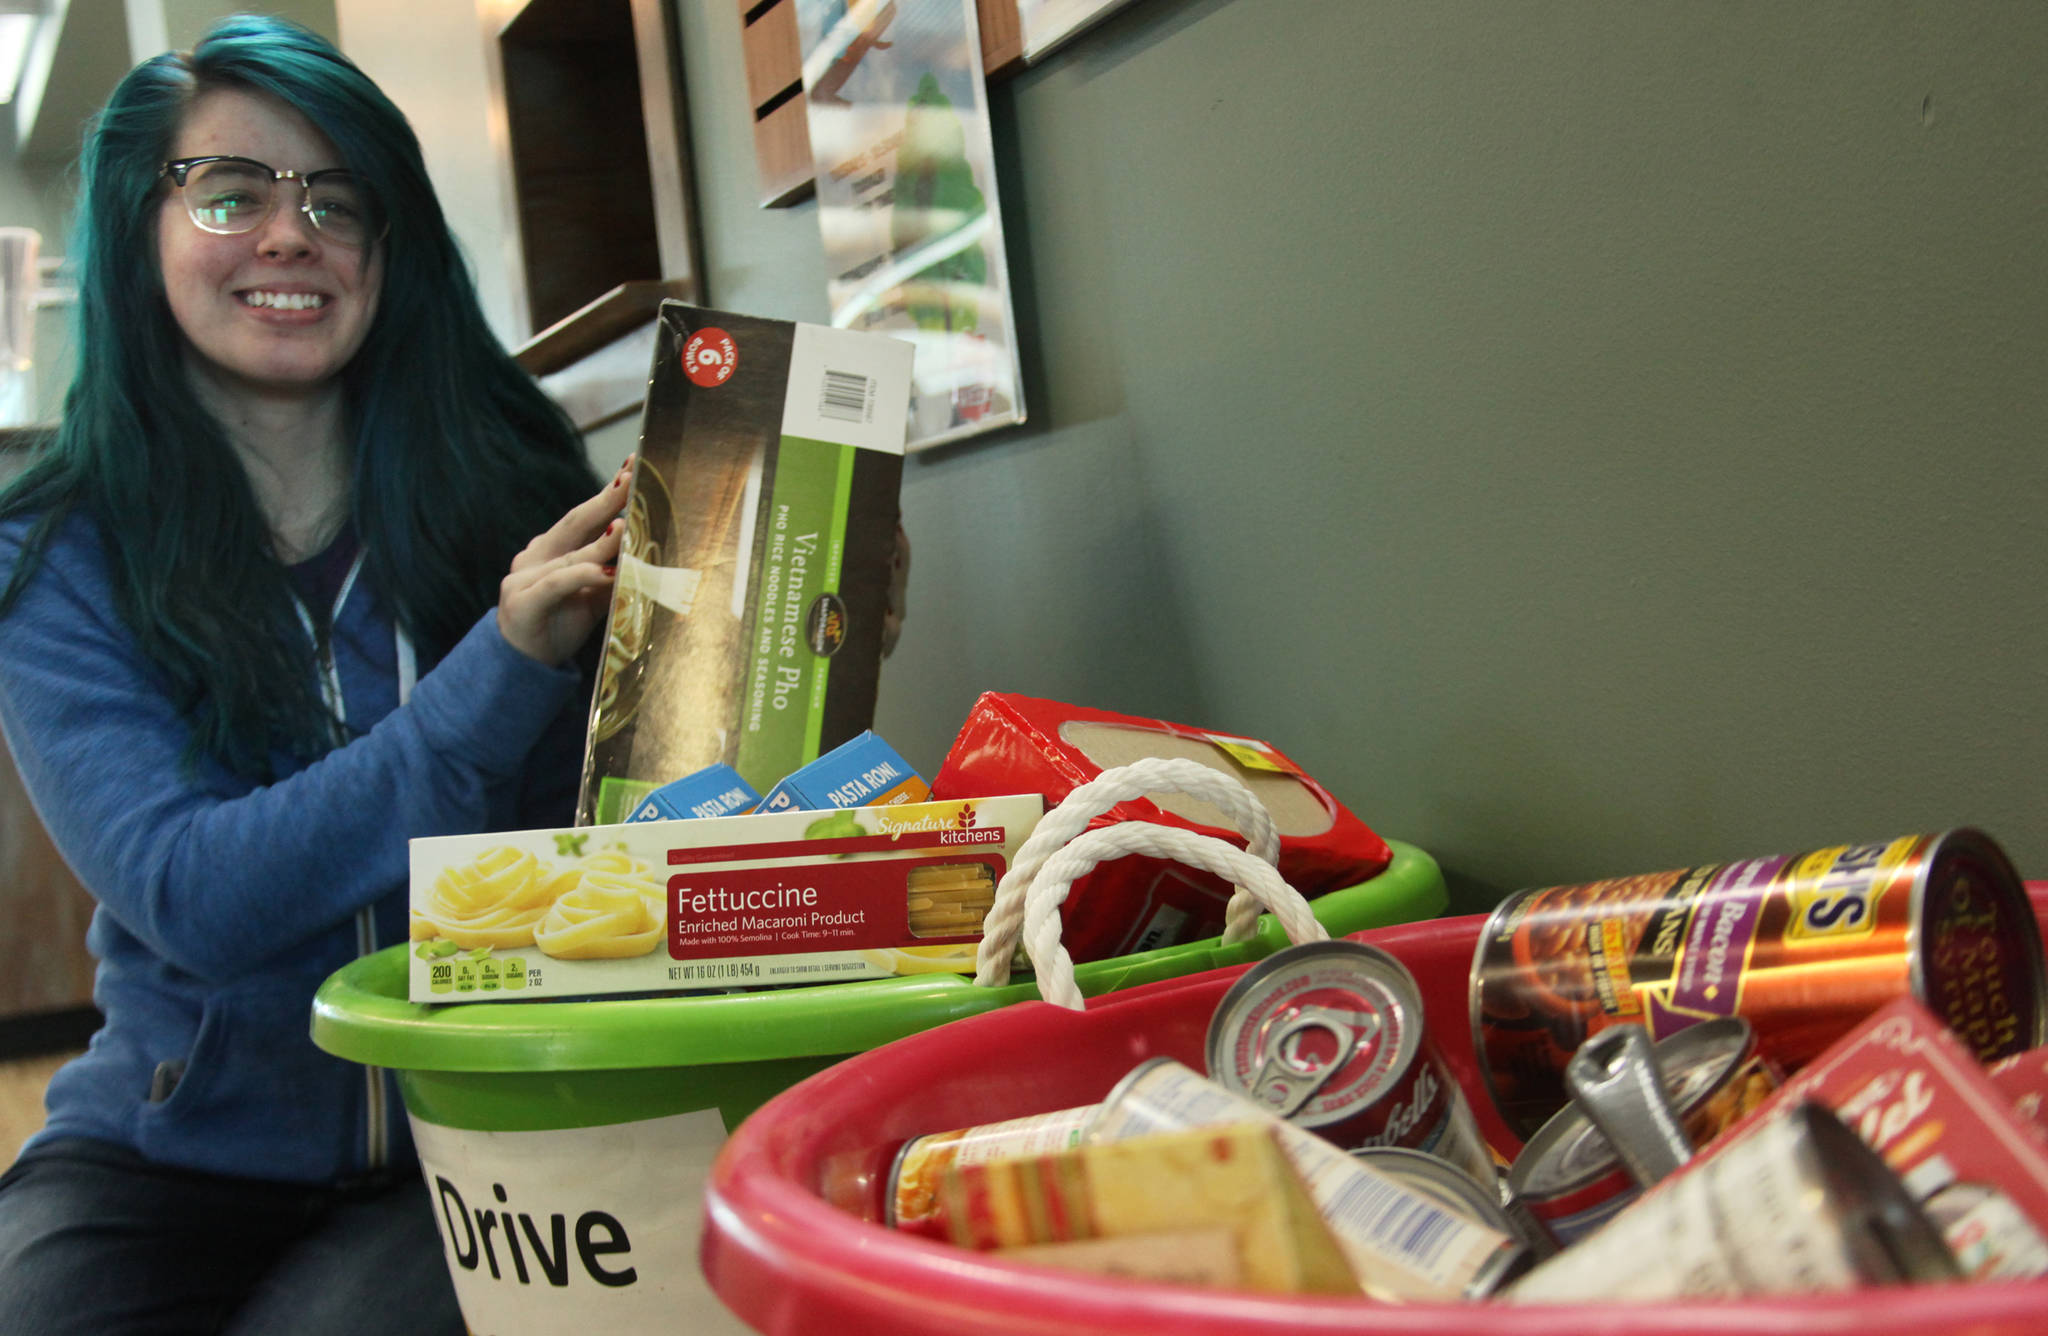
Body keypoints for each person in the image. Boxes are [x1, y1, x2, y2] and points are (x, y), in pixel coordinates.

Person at [0, 16, 627, 1333]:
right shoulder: (52, 551)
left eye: (337, 201)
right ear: (136, 233)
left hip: (468, 1137)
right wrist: (498, 669)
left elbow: (643, 815)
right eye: (230, 194)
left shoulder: (517, 497)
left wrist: (797, 632)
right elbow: (195, 893)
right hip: (159, 1159)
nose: (292, 235)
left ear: (389, 249)